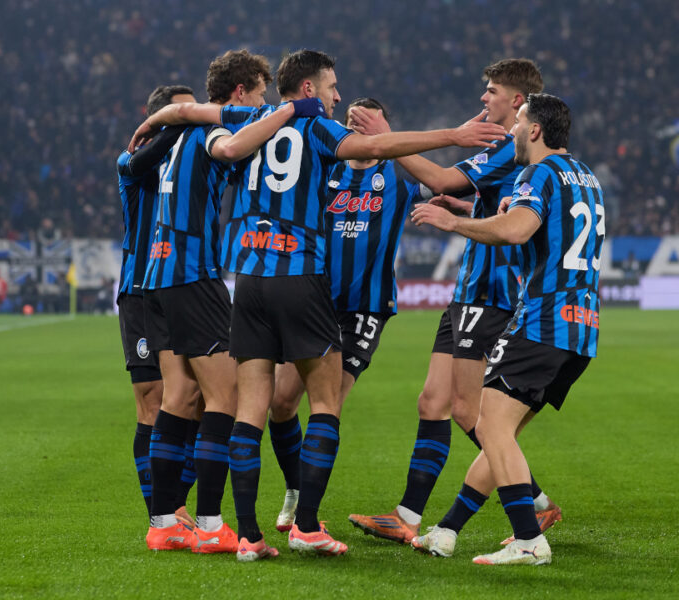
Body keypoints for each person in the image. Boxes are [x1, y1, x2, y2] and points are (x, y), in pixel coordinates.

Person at [135, 48, 507, 561]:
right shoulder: (319, 130)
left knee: (252, 408)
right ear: (309, 89)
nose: (337, 96)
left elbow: (189, 113)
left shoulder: (253, 119)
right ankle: (306, 524)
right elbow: (379, 143)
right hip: (302, 280)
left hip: (248, 280)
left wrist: (155, 119)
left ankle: (246, 536)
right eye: (332, 87)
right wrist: (454, 135)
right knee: (323, 403)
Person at [346, 58, 560, 546]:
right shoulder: (505, 148)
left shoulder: (512, 143)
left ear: (517, 101)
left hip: (491, 293)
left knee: (468, 410)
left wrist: (386, 136)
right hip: (469, 291)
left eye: (491, 91)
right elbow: (495, 200)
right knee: (433, 401)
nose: (484, 97)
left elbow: (440, 179)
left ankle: (535, 507)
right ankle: (407, 515)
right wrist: (467, 207)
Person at [130, 50, 327, 554]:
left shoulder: (176, 137)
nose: (263, 103)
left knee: (179, 398)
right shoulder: (208, 133)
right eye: (260, 94)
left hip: (157, 275)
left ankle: (163, 521)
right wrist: (287, 112)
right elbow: (230, 149)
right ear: (240, 94)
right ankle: (214, 523)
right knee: (228, 400)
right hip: (194, 276)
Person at [411, 93, 603, 566]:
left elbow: (517, 230)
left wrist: (454, 222)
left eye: (518, 122)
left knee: (490, 424)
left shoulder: (537, 173)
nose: (513, 131)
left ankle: (528, 540)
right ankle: (448, 530)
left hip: (542, 320)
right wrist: (483, 214)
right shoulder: (586, 178)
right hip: (582, 329)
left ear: (535, 130)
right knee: (502, 435)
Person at [264, 98, 426, 532]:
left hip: (364, 310)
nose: (353, 130)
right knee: (280, 405)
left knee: (327, 404)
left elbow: (448, 185)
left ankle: (307, 516)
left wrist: (388, 135)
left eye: (362, 124)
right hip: (313, 300)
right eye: (349, 124)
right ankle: (296, 489)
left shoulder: (399, 175)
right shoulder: (326, 171)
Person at [115, 84, 195, 526]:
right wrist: (181, 121)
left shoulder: (195, 157)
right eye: (181, 111)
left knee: (203, 397)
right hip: (141, 292)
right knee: (155, 401)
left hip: (187, 288)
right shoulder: (132, 161)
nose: (191, 116)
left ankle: (175, 500)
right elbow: (146, 158)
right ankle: (160, 515)